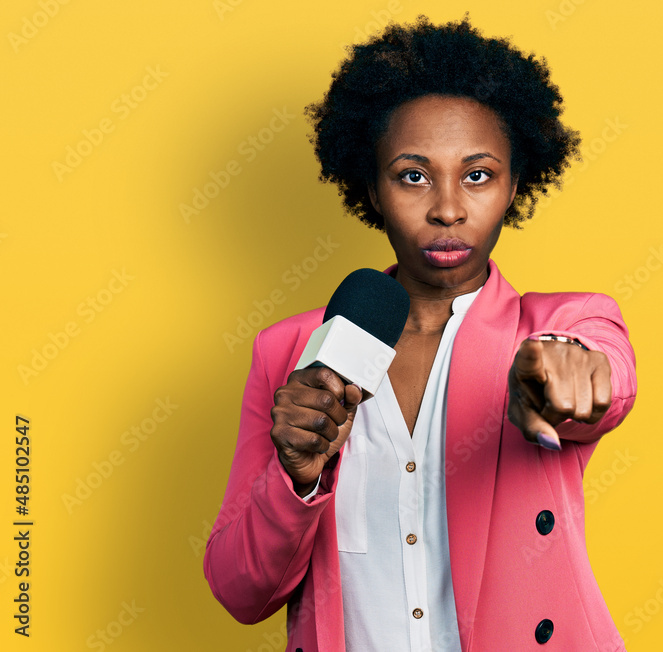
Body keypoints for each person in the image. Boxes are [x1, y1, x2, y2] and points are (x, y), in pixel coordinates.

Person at [203, 14, 638, 652]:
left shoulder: (559, 325)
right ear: (372, 188)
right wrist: (296, 479)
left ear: (516, 184)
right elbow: (241, 592)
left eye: (478, 175)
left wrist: (565, 374)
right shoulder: (289, 352)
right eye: (413, 175)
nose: (448, 207)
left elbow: (605, 375)